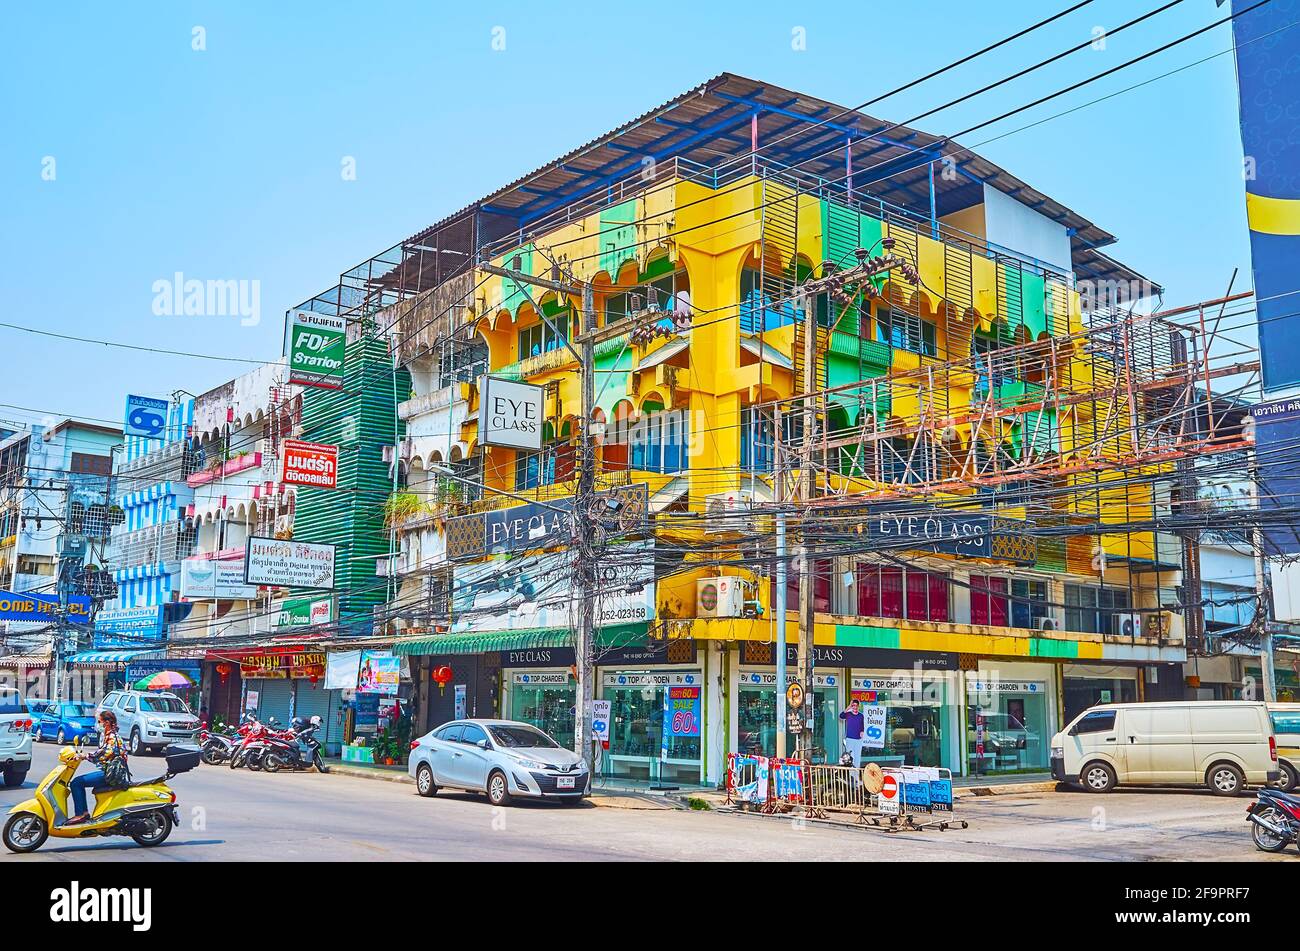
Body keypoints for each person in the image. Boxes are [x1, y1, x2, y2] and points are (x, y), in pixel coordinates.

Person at [66, 709, 128, 825]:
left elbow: (104, 755)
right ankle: (83, 813)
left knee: (76, 782)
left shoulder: (113, 737)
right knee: (78, 782)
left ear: (107, 723)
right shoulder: (109, 735)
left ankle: (81, 814)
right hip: (109, 771)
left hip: (111, 775)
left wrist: (85, 756)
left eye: (99, 722)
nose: (98, 724)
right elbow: (102, 753)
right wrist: (84, 756)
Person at [839, 698, 866, 768]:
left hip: (858, 739)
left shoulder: (861, 715)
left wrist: (862, 731)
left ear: (858, 706)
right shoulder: (848, 714)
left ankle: (856, 774)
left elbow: (862, 725)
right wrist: (848, 707)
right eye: (853, 705)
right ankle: (851, 774)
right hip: (850, 738)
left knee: (857, 756)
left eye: (856, 705)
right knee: (850, 757)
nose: (855, 707)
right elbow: (841, 716)